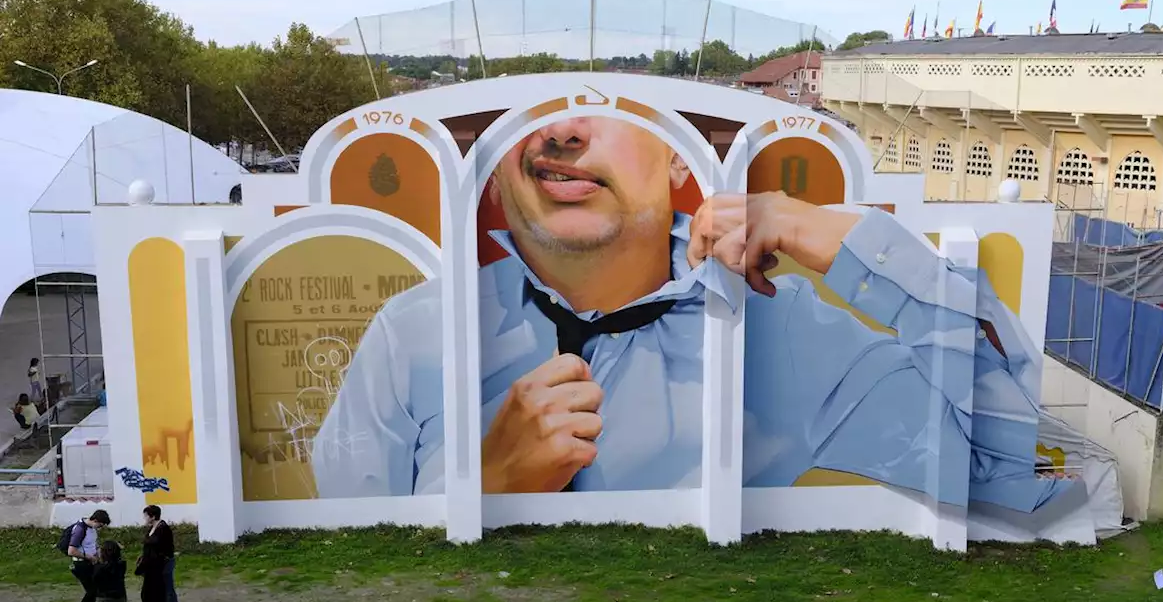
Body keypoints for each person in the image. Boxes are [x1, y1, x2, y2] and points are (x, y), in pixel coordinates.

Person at [314, 116, 1068, 512]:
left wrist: (841, 238)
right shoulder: (411, 335)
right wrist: (486, 485)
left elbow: (1004, 463)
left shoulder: (781, 331)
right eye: (534, 119)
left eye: (603, 116)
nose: (561, 134)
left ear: (678, 158)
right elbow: (339, 593)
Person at [67, 510, 111, 602]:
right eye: (100, 525)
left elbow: (93, 544)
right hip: (81, 564)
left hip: (92, 563)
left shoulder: (92, 529)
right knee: (91, 590)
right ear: (95, 520)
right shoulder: (80, 529)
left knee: (95, 590)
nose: (100, 528)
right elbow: (71, 551)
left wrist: (99, 555)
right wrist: (88, 557)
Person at [135, 521, 171, 602]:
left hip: (153, 575)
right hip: (156, 573)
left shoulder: (160, 533)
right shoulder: (155, 529)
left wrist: (142, 567)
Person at [143, 505, 179, 602]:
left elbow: (164, 547)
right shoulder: (151, 528)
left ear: (152, 516)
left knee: (168, 588)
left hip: (165, 562)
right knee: (159, 588)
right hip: (154, 563)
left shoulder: (163, 528)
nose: (145, 518)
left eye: (146, 515)